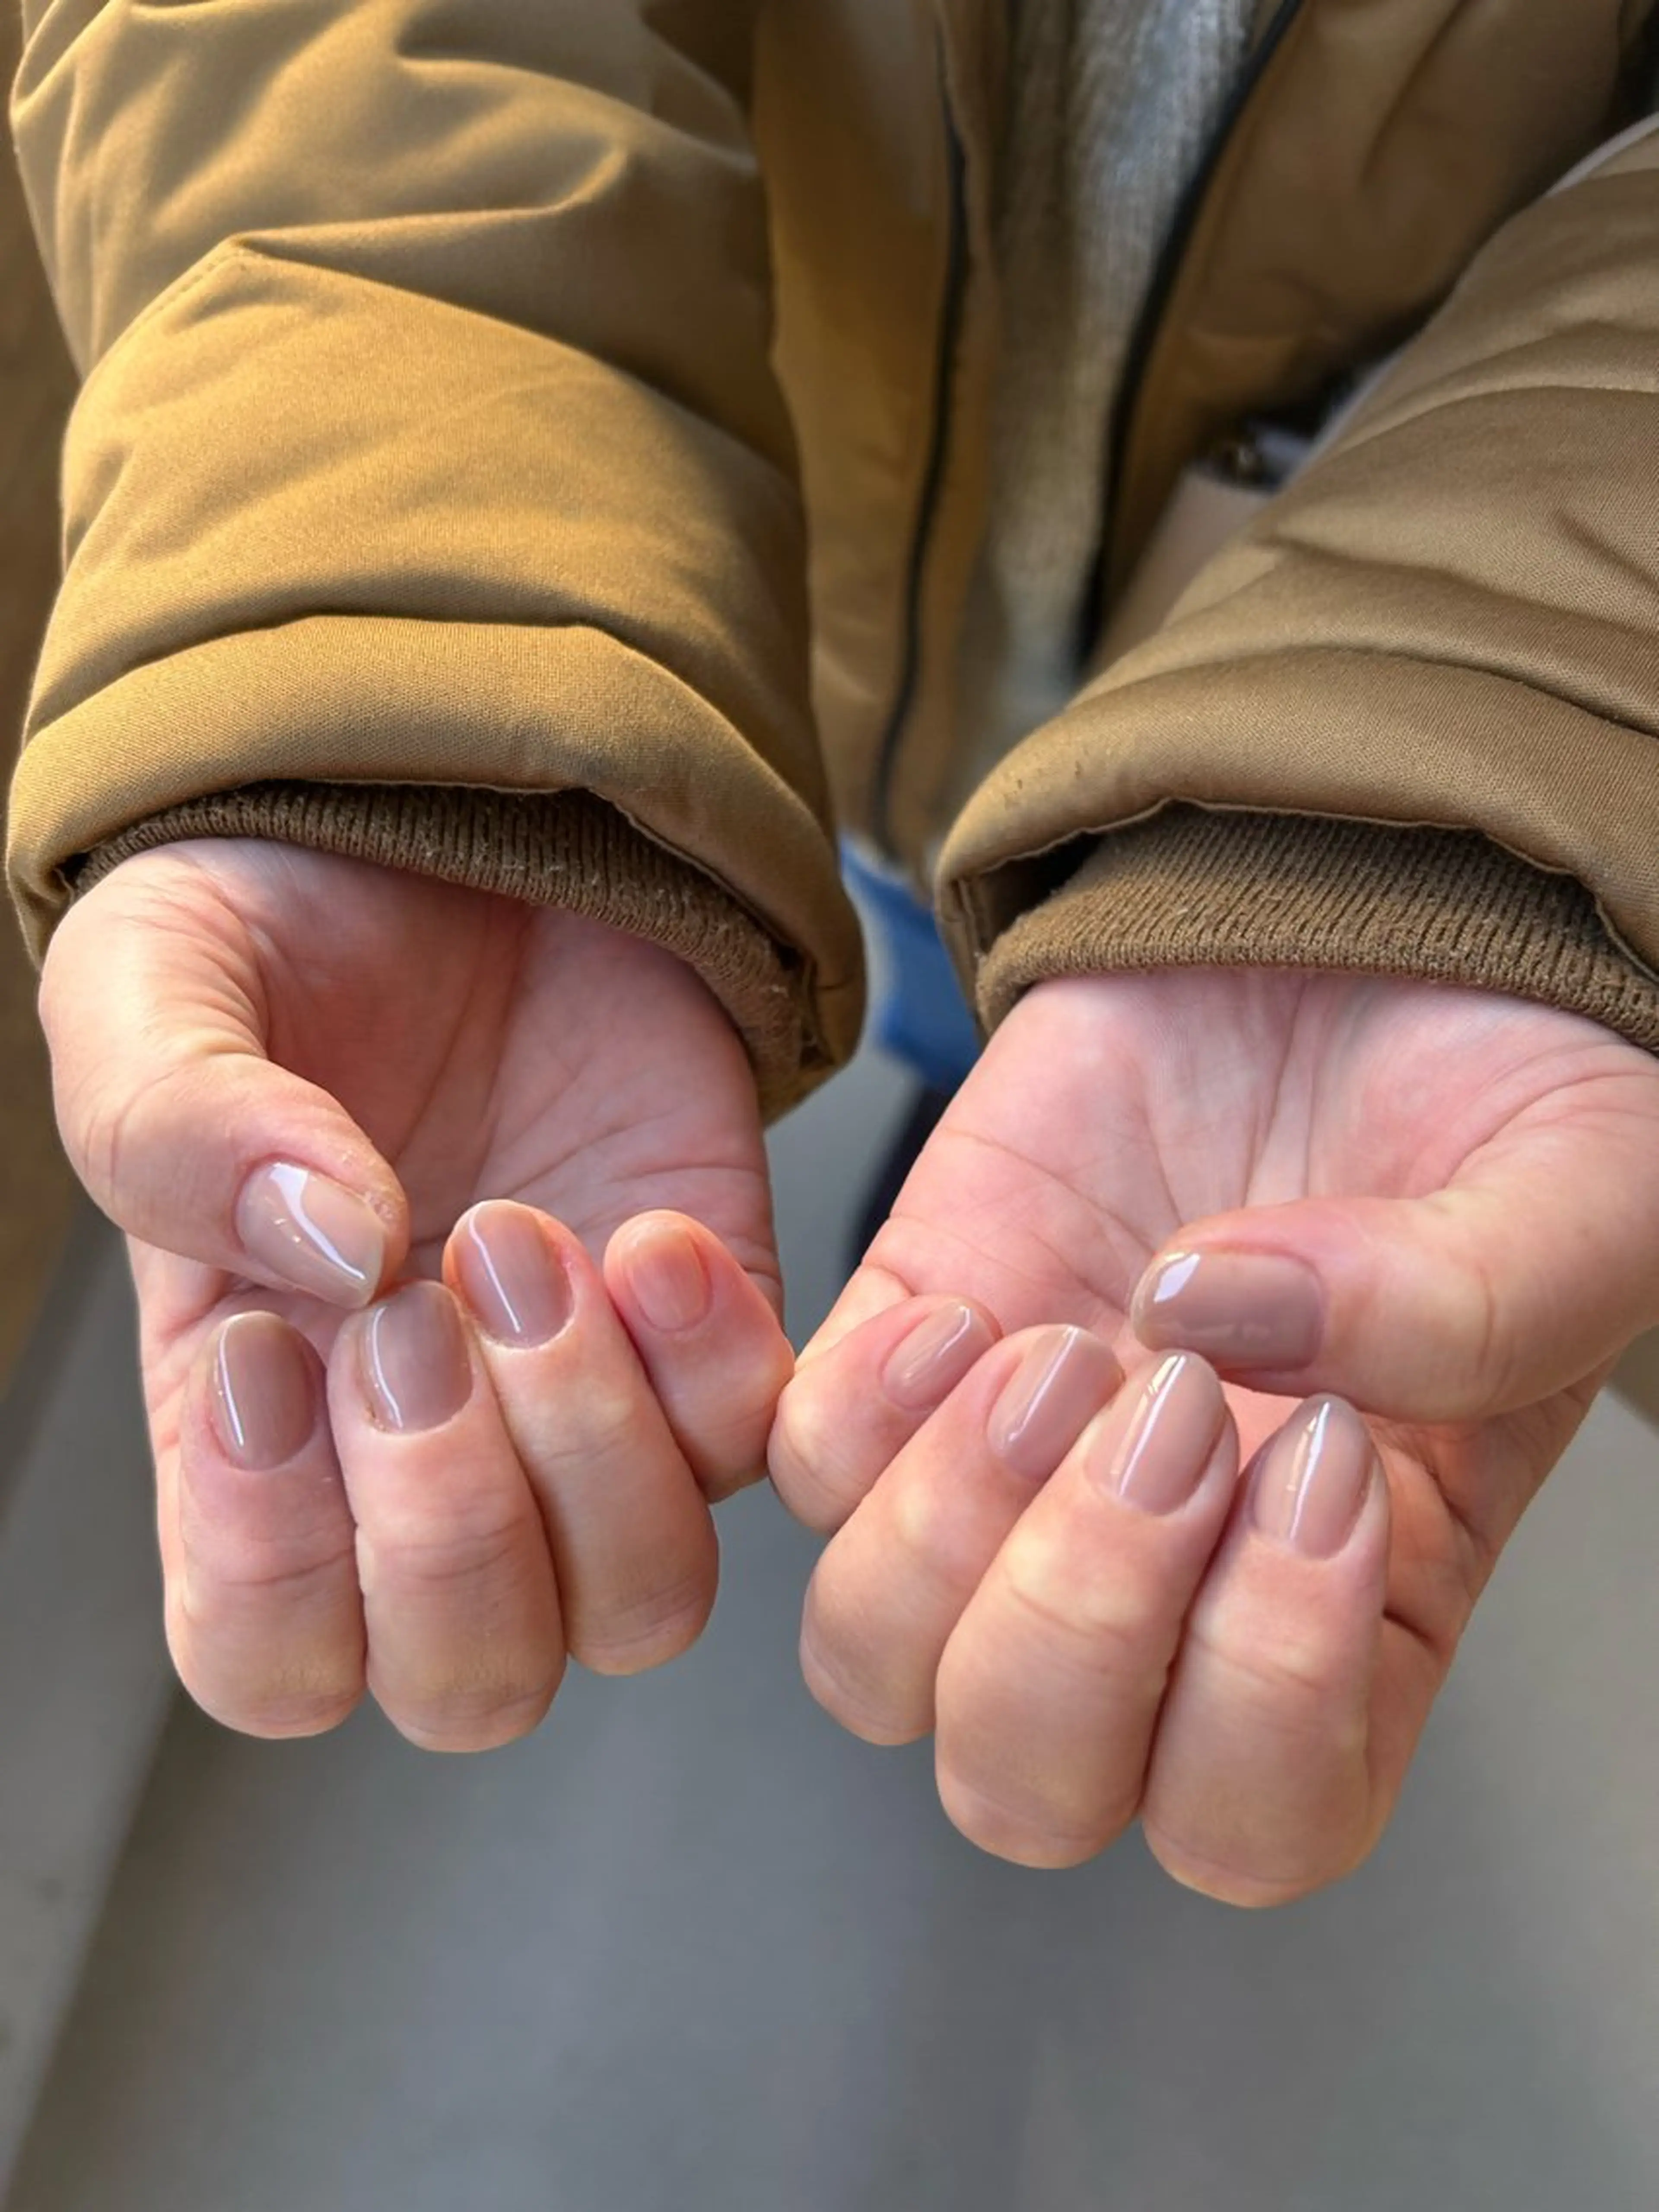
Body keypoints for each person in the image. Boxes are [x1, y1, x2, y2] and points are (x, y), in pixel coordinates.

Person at [10, 0, 1659, 1908]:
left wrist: (1520, 754)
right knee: (965, 1003)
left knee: (1021, 1098)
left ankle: (969, 1096)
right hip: (832, 656)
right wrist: (390, 654)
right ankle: (959, 1085)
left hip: (1276, 700)